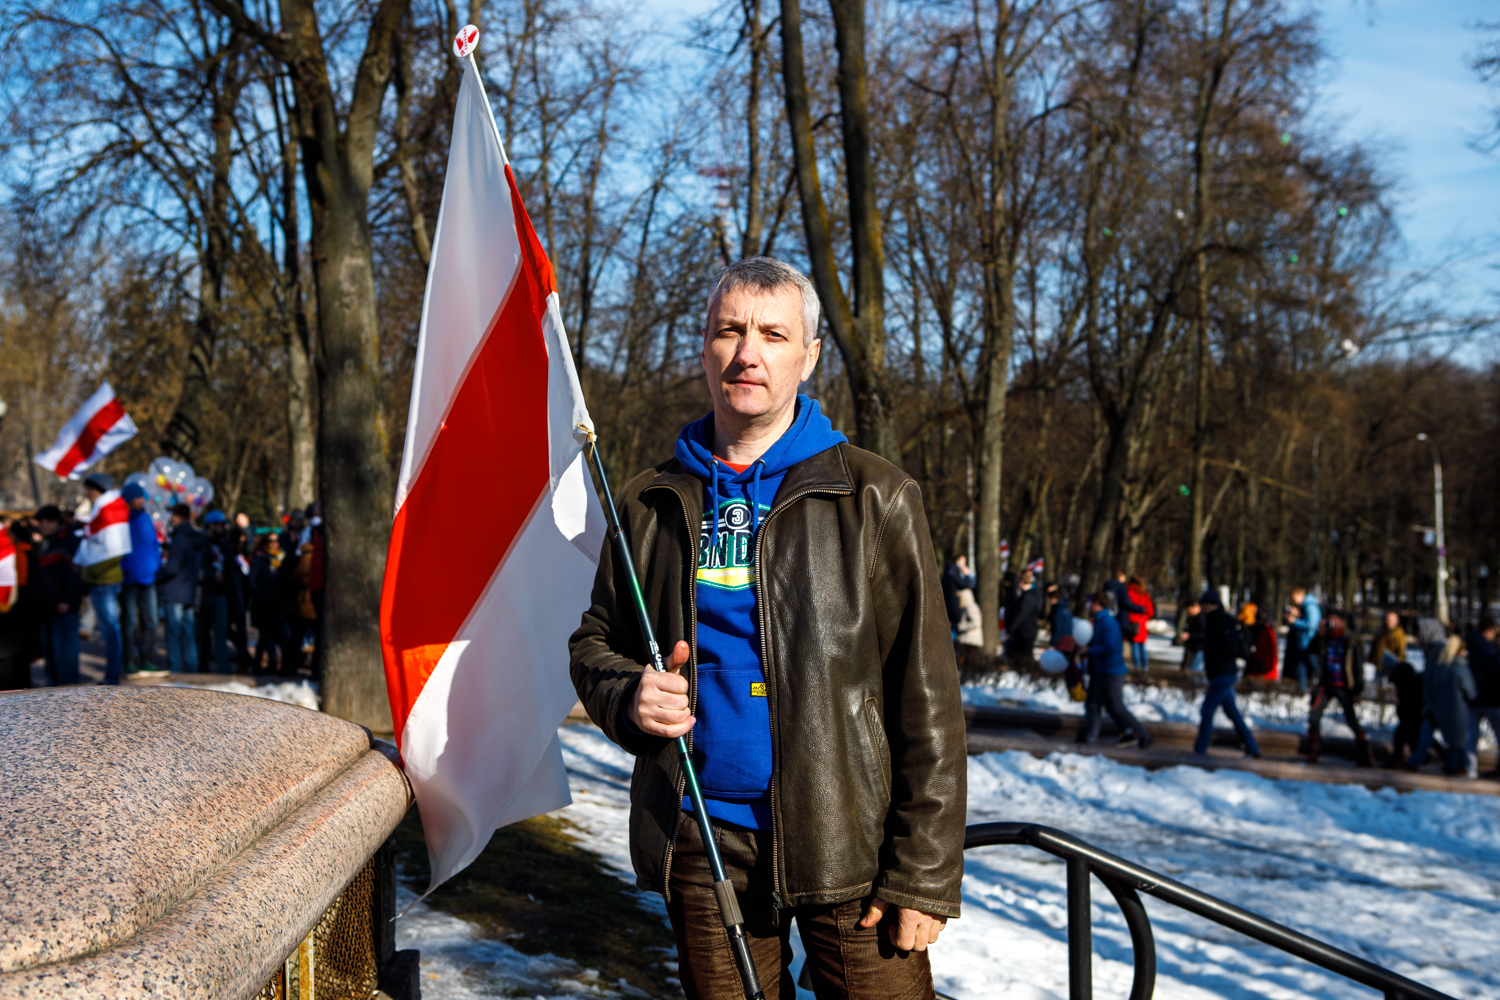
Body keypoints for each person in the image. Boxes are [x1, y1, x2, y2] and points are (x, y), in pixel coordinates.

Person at [569, 257, 965, 999]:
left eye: (773, 334)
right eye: (730, 330)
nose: (748, 352)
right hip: (702, 833)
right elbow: (596, 641)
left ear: (808, 356)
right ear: (706, 349)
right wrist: (629, 696)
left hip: (851, 841)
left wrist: (924, 871)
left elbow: (927, 694)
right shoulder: (651, 501)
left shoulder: (874, 495)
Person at [1077, 591, 1153, 749]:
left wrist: (1089, 651)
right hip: (1103, 670)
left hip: (1111, 672)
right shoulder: (1100, 620)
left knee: (1115, 706)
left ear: (1097, 604)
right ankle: (1089, 737)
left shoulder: (1107, 622)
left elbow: (1111, 646)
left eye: (1090, 603)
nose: (1088, 606)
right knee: (1095, 704)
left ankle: (1143, 735)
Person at [1192, 591, 1261, 757]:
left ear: (1210, 604)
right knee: (1233, 713)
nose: (1201, 606)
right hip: (1220, 673)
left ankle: (1200, 749)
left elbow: (1229, 647)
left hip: (1224, 673)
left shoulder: (1222, 621)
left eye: (1203, 603)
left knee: (1207, 710)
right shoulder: (1212, 620)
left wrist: (1216, 658)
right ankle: (1253, 748)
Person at [78, 472, 127, 685]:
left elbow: (113, 550)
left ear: (98, 489)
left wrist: (89, 573)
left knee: (110, 631)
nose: (86, 493)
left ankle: (113, 675)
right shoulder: (101, 510)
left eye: (90, 489)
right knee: (110, 630)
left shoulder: (108, 512)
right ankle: (112, 673)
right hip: (102, 580)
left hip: (104, 581)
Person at [1306, 611, 1372, 767]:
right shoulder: (1324, 638)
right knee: (1314, 717)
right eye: (1328, 620)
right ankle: (1313, 752)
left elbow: (1358, 666)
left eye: (1333, 620)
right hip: (1326, 685)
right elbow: (1311, 650)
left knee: (1351, 720)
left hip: (1344, 686)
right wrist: (1319, 633)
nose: (1331, 623)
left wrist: (1357, 690)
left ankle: (1364, 755)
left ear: (1341, 621)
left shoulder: (1351, 640)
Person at [1408, 634, 1476, 776]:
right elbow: (1470, 692)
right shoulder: (1461, 668)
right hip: (1457, 710)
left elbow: (1428, 687)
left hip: (1435, 708)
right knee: (1456, 743)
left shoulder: (1437, 667)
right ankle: (1451, 769)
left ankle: (1414, 761)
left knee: (1426, 736)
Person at [33, 505, 83, 684]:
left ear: (54, 522)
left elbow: (74, 574)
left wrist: (65, 599)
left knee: (65, 653)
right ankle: (55, 690)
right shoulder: (49, 541)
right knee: (54, 652)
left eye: (43, 522)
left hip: (63, 606)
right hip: (50, 605)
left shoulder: (67, 541)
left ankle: (67, 692)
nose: (40, 526)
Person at [118, 481, 162, 674]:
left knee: (151, 621)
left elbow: (153, 543)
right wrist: (125, 568)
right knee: (129, 624)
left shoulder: (145, 518)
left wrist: (156, 563)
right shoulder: (121, 521)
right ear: (129, 499)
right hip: (128, 580)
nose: (142, 500)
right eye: (138, 497)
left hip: (148, 578)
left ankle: (146, 658)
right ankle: (129, 660)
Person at [157, 505, 203, 673]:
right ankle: (192, 669)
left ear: (177, 516)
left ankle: (175, 670)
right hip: (188, 591)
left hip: (174, 591)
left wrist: (158, 574)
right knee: (188, 635)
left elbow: (172, 568)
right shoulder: (197, 537)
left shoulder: (179, 539)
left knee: (173, 635)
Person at [196, 510, 232, 673]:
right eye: (220, 524)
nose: (223, 527)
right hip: (202, 594)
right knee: (201, 634)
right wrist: (211, 576)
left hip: (220, 593)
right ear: (211, 525)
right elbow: (194, 570)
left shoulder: (223, 544)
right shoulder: (199, 542)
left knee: (221, 632)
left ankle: (224, 669)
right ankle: (200, 668)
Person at [249, 533, 288, 674]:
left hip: (278, 606)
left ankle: (270, 666)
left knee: (277, 637)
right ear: (265, 543)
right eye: (270, 541)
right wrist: (262, 595)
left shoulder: (282, 559)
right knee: (265, 637)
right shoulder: (259, 560)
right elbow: (252, 581)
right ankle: (266, 666)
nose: (274, 543)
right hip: (264, 606)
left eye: (276, 540)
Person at [1466, 618, 1500, 779]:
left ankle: (1469, 769)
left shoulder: (1469, 647)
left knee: (1471, 736)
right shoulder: (1491, 651)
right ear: (1489, 631)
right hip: (1492, 700)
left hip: (1473, 699)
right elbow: (1496, 676)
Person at [1004, 563, 1043, 668]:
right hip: (1025, 630)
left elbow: (1021, 615)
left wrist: (1011, 629)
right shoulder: (1029, 595)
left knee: (1024, 657)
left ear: (1022, 582)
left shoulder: (1028, 597)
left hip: (1026, 631)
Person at [1285, 586, 1321, 692]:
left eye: (1294, 597)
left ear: (1301, 595)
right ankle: (1302, 689)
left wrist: (1295, 621)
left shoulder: (1310, 606)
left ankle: (1317, 689)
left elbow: (1312, 624)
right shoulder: (1304, 607)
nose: (1293, 600)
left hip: (1309, 643)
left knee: (1314, 667)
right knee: (1301, 667)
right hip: (1304, 642)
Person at [941, 555, 976, 633]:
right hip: (954, 604)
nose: (964, 564)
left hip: (951, 603)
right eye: (963, 561)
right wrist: (967, 575)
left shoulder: (950, 570)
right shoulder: (952, 571)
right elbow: (963, 584)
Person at [1126, 575, 1153, 671]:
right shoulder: (1144, 594)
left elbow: (1127, 607)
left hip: (1132, 623)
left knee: (1135, 647)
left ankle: (1137, 668)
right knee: (1142, 647)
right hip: (1142, 623)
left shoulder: (1129, 592)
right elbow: (1150, 611)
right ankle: (1145, 667)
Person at [1369, 611, 1407, 675]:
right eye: (1387, 619)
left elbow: (1401, 651)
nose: (1388, 621)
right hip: (1378, 666)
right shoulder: (1381, 631)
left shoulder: (1399, 634)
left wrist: (1399, 665)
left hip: (1391, 668)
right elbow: (1374, 646)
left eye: (1390, 620)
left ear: (1396, 621)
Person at [1247, 606, 1279, 679]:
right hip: (1266, 669)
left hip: (1265, 672)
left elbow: (1263, 653)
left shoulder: (1265, 631)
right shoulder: (1269, 629)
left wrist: (1258, 668)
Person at [1179, 599, 1205, 672]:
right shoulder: (1194, 617)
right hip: (1195, 648)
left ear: (1196, 607)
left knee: (1194, 670)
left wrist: (1190, 636)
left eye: (1190, 609)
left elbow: (1204, 634)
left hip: (1200, 649)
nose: (1189, 612)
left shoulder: (1202, 618)